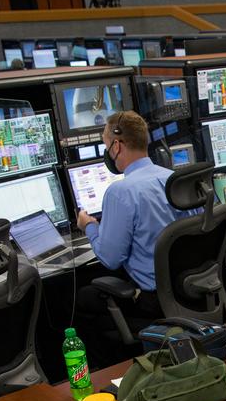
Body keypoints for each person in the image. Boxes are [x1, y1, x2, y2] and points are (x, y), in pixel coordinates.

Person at [75, 111, 191, 357]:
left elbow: (110, 258)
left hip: (152, 300)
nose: (108, 152)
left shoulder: (121, 192)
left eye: (106, 146)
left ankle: (112, 374)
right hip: (188, 290)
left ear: (117, 146)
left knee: (82, 300)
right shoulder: (175, 179)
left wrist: (89, 226)